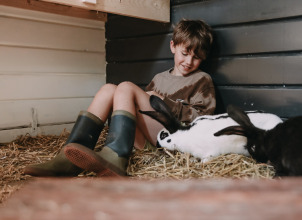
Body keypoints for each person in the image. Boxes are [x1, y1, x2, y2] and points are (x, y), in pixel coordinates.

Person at [24, 19, 216, 177]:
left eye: (196, 57)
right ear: (173, 46)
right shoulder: (160, 78)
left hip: (174, 143)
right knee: (109, 89)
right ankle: (69, 157)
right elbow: (140, 112)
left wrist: (164, 103)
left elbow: (201, 122)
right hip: (146, 143)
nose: (189, 61)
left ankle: (116, 155)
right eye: (185, 53)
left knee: (126, 87)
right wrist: (151, 99)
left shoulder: (202, 80)